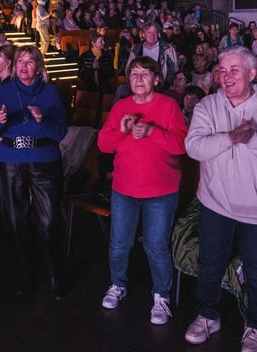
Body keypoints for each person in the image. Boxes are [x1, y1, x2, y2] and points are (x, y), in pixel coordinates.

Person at [184, 45, 257, 351]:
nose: (227, 76)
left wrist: (254, 139)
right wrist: (231, 137)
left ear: (252, 73)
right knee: (210, 263)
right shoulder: (207, 106)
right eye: (222, 70)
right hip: (216, 203)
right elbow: (194, 147)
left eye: (235, 70)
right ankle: (208, 315)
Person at [97, 56, 187, 324]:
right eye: (133, 73)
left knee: (156, 246)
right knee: (119, 243)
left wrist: (152, 131)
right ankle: (117, 284)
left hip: (161, 191)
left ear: (156, 79)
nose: (138, 78)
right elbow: (104, 144)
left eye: (145, 74)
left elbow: (181, 146)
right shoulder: (121, 107)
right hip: (124, 189)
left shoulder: (168, 105)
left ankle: (161, 295)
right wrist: (122, 130)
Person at [0, 45, 68, 299]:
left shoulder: (50, 92)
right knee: (15, 220)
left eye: (30, 62)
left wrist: (43, 120)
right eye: (20, 61)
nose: (24, 66)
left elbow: (60, 132)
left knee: (49, 220)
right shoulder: (3, 91)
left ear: (38, 67)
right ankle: (25, 274)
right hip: (10, 160)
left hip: (44, 159)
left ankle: (54, 275)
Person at [126, 21, 179, 87]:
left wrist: (164, 85)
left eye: (155, 32)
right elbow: (129, 69)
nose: (152, 35)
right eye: (149, 32)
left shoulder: (168, 49)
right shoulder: (136, 49)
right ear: (143, 34)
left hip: (162, 87)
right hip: (141, 86)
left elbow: (174, 70)